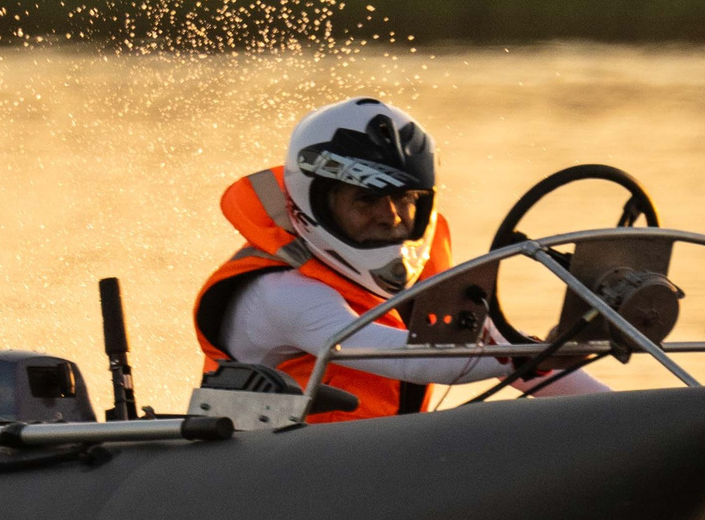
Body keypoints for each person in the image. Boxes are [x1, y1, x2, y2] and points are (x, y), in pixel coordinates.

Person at [192, 98, 609, 423]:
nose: (391, 217)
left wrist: (638, 415)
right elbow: (408, 357)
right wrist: (535, 353)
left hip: (368, 472)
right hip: (264, 482)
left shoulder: (419, 282)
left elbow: (504, 354)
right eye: (367, 199)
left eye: (404, 199)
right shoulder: (282, 293)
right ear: (314, 203)